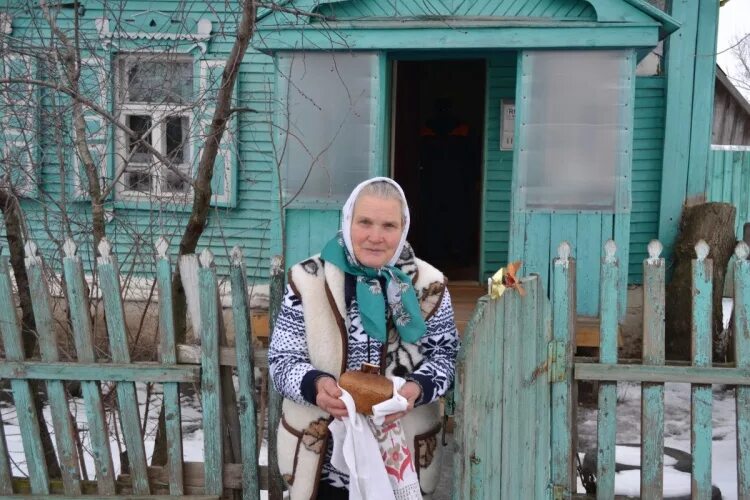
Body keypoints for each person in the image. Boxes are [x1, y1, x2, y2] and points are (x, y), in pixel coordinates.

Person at [269, 177, 460, 500]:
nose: (375, 236)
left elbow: (446, 358)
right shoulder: (308, 279)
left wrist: (416, 389)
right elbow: (282, 360)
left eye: (388, 225)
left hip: (400, 466)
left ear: (403, 229)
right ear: (348, 221)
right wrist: (315, 386)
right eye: (365, 222)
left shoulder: (430, 286)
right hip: (322, 467)